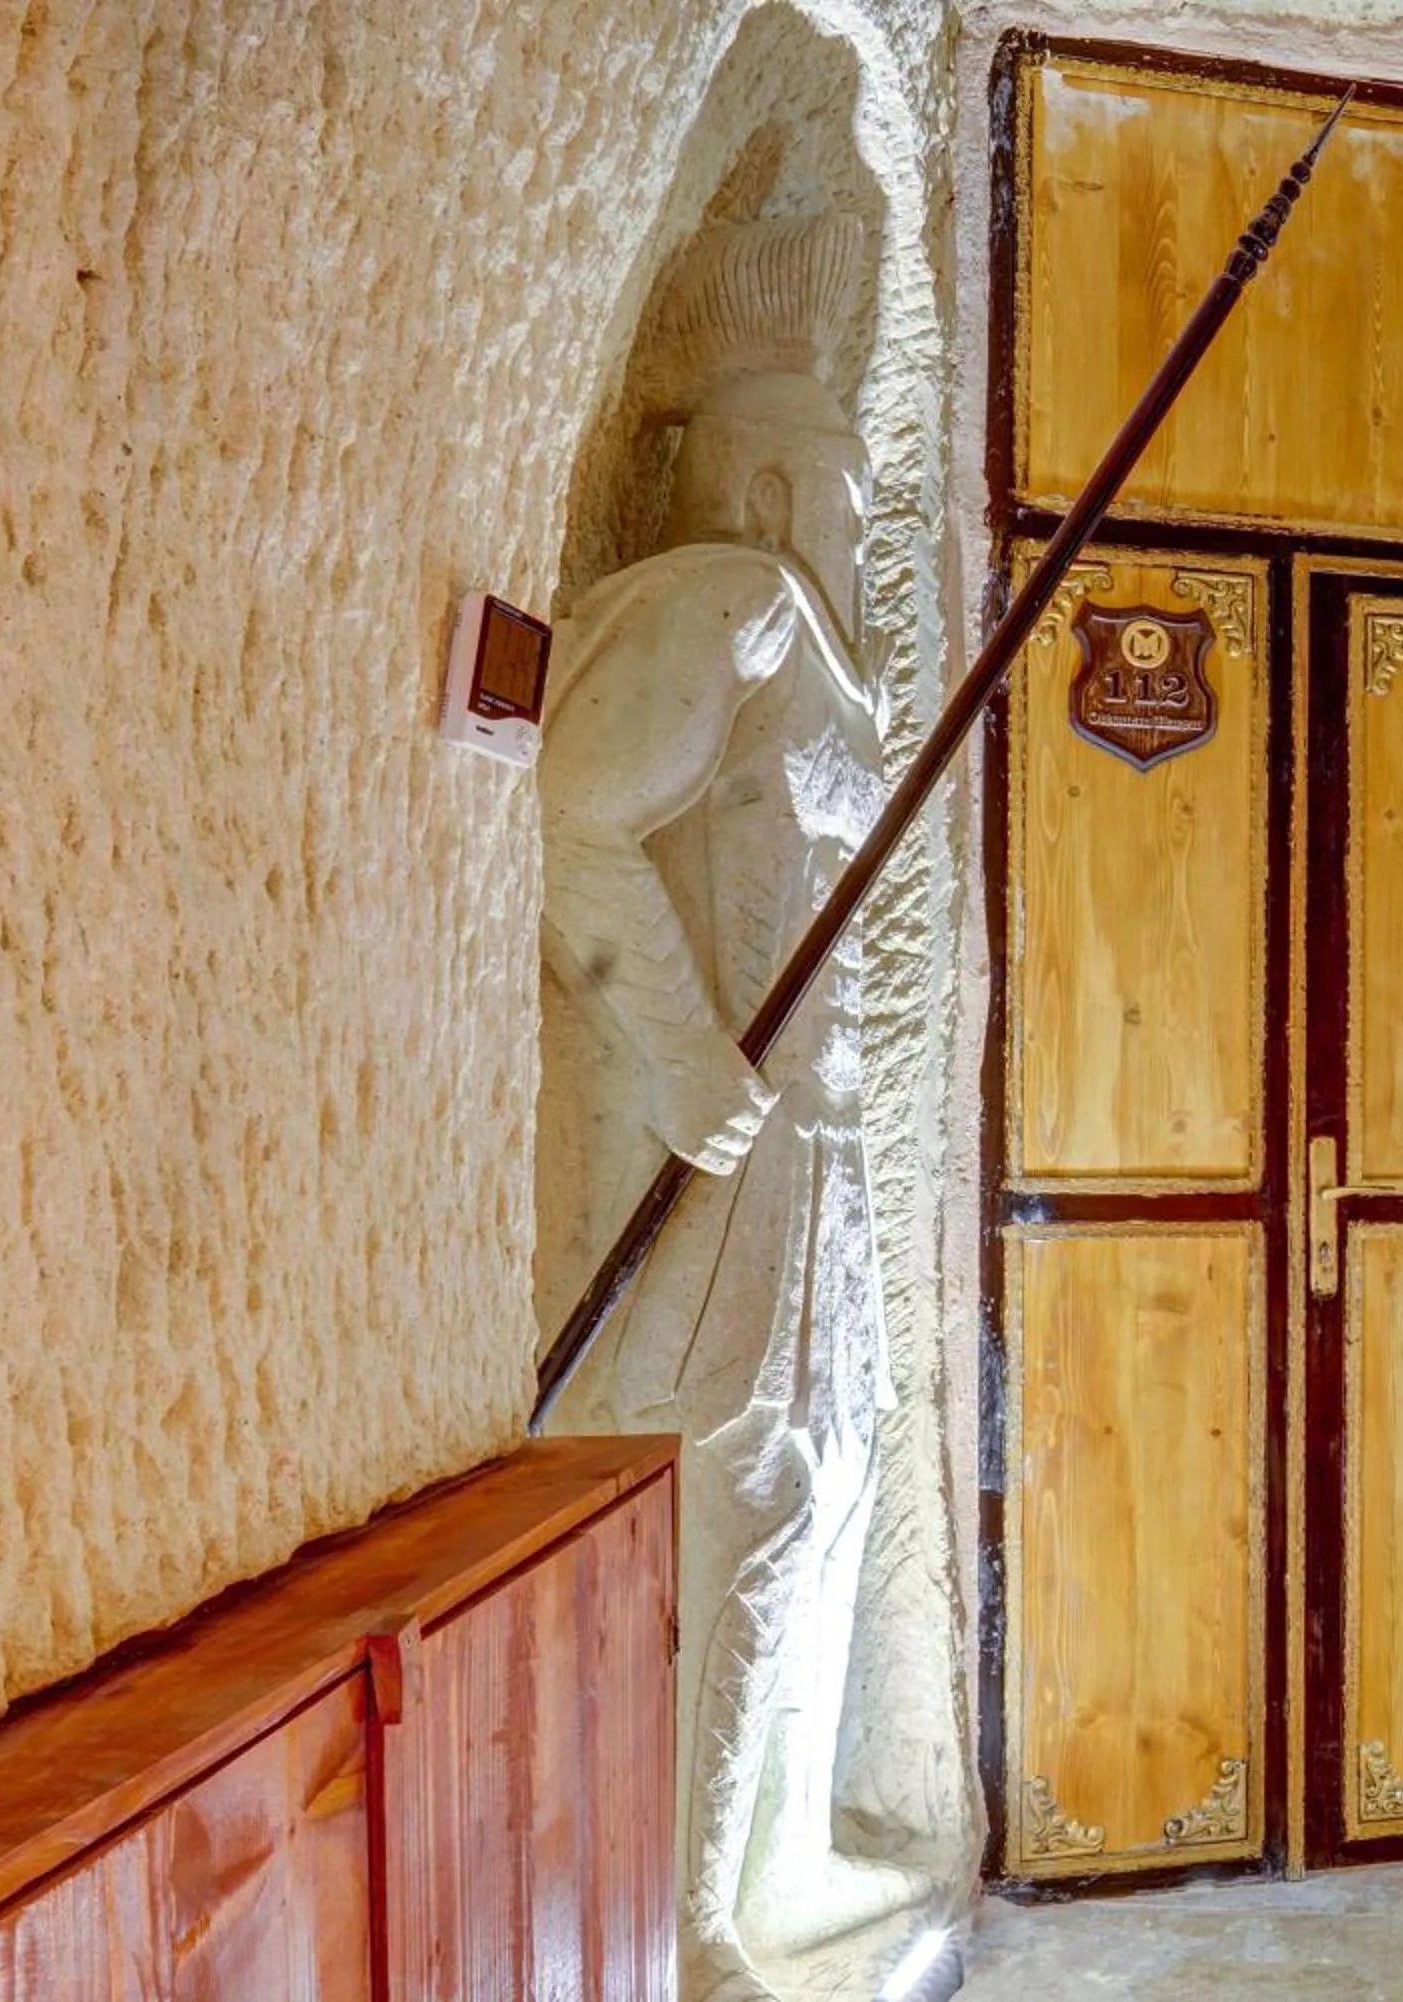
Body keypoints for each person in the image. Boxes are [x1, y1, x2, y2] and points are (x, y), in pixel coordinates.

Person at [537, 212, 906, 2001]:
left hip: (819, 1148)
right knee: (733, 1488)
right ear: (769, 487)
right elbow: (583, 816)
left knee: (830, 1476)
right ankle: (676, 1906)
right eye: (837, 486)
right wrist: (683, 1056)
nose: (855, 526)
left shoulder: (822, 650)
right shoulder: (726, 608)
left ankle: (779, 1845)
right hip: (719, 1147)